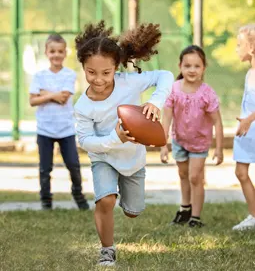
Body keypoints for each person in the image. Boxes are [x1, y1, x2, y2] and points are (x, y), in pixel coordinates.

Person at [74, 20, 174, 266]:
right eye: (91, 72)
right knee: (105, 200)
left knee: (132, 212)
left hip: (132, 159)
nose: (98, 79)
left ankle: (126, 200)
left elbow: (166, 75)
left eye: (106, 73)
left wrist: (155, 102)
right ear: (83, 67)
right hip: (104, 157)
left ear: (116, 67)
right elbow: (85, 141)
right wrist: (114, 139)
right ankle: (107, 250)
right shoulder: (83, 106)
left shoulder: (129, 81)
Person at [160, 45, 224, 227]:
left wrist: (219, 149)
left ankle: (195, 217)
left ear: (204, 67)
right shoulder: (173, 89)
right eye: (187, 66)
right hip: (179, 140)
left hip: (199, 143)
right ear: (180, 66)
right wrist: (162, 145)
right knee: (182, 174)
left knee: (195, 177)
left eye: (197, 66)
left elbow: (217, 122)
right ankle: (185, 209)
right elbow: (166, 118)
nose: (192, 70)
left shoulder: (207, 93)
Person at [29, 34, 89, 211]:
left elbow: (63, 98)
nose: (56, 55)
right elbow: (32, 100)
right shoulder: (39, 75)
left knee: (73, 165)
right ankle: (46, 201)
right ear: (47, 52)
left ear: (65, 53)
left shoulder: (69, 74)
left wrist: (44, 94)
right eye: (52, 51)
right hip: (44, 130)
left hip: (66, 130)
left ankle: (79, 196)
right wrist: (53, 94)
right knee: (45, 169)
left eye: (60, 51)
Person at [232, 24, 255, 231]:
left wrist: (249, 120)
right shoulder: (250, 73)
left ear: (252, 49)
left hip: (251, 128)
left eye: (240, 45)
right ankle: (254, 216)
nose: (236, 49)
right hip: (246, 133)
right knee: (241, 172)